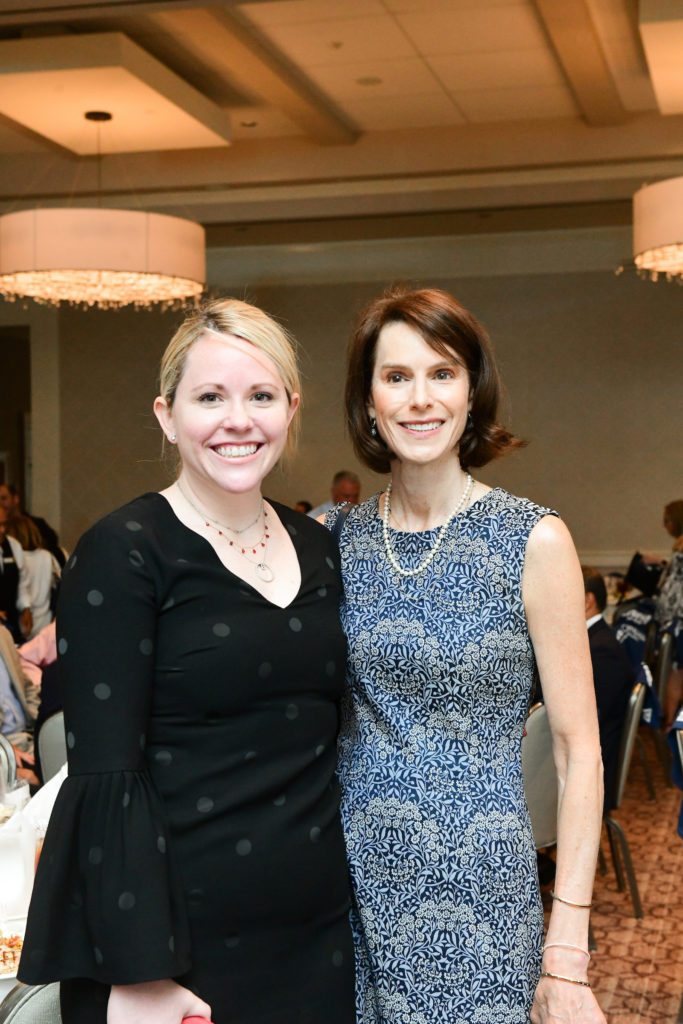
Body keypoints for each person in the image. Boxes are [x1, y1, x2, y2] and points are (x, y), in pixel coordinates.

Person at [19, 298, 356, 1024]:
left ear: (290, 410)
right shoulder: (126, 549)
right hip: (176, 943)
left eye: (260, 396)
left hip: (314, 932)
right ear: (167, 415)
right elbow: (106, 772)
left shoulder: (321, 549)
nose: (238, 420)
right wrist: (140, 972)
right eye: (210, 397)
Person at [326, 287, 605, 1024]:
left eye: (442, 373)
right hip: (341, 892)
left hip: (477, 899)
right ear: (367, 403)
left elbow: (578, 753)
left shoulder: (532, 540)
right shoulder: (332, 541)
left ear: (472, 393)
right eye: (396, 377)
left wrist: (566, 952)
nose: (420, 399)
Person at [582, 567, 634, 812]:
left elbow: (590, 721)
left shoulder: (601, 650)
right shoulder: (593, 640)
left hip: (592, 774)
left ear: (587, 600)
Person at [0, 622, 39, 785]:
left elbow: (26, 684)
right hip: (7, 743)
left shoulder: (3, 634)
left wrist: (36, 716)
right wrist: (4, 747)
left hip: (30, 731)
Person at [10, 514, 60, 638]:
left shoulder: (17, 559)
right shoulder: (47, 556)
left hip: (21, 620)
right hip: (45, 620)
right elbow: (58, 583)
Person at [0, 482, 66, 568]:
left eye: (3, 498)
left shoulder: (36, 524)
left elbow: (52, 547)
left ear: (16, 499)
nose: (0, 503)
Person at [0, 504, 33, 641]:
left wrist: (26, 608)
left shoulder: (13, 545)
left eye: (4, 524)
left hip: (11, 620)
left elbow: (22, 583)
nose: (2, 530)